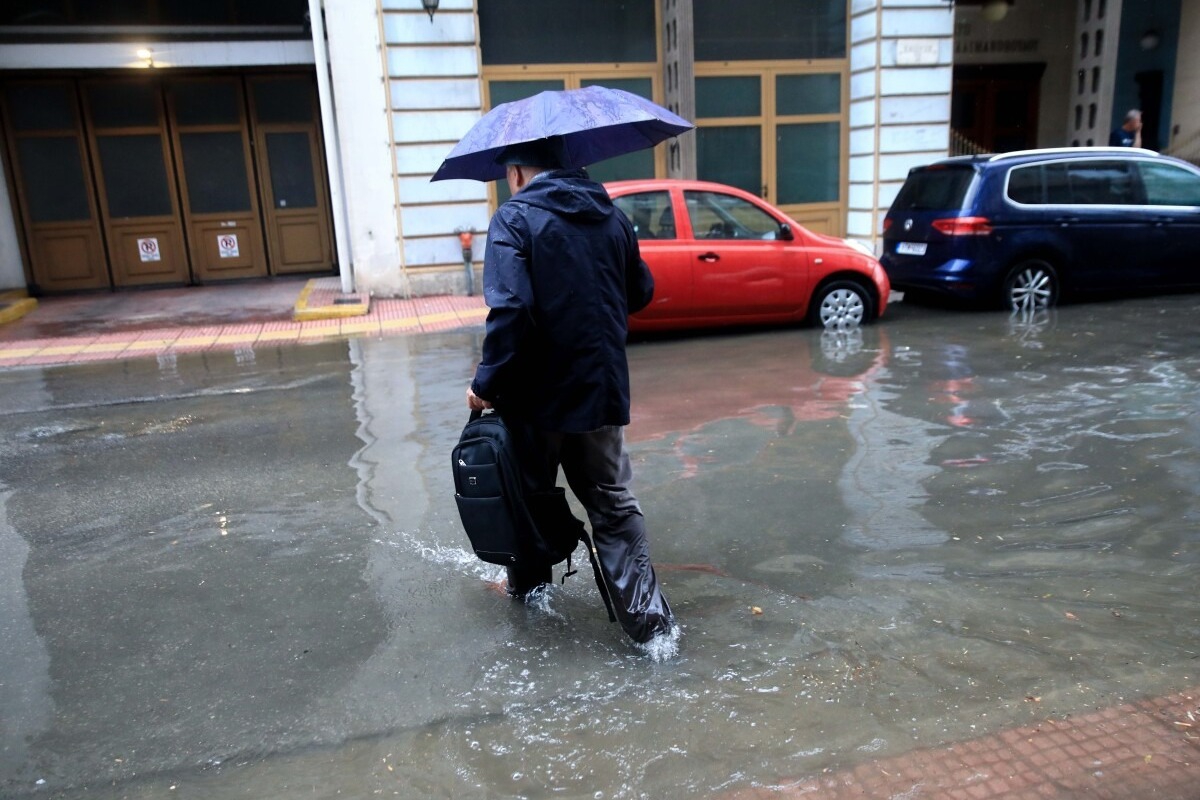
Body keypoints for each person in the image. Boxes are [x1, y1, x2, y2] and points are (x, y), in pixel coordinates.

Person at [465, 137, 675, 645]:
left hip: (535, 400)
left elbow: (511, 310)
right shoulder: (612, 217)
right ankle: (652, 630)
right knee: (613, 505)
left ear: (516, 173)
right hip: (600, 391)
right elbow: (640, 292)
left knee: (528, 497)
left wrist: (485, 385)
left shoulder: (513, 220)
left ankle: (529, 593)